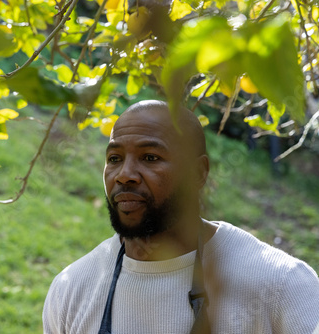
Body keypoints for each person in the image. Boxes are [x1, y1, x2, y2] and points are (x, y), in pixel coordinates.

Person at [42, 100, 319, 333]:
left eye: (150, 157)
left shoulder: (281, 286)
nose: (124, 174)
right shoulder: (71, 290)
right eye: (114, 158)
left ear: (198, 174)